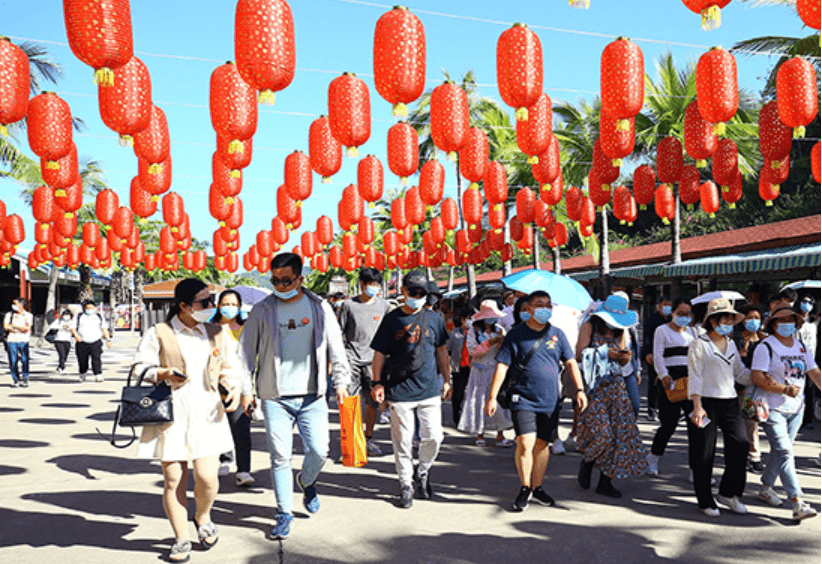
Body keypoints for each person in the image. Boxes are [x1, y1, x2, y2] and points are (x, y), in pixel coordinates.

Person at [131, 278, 245, 563]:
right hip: (171, 414)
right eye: (203, 303)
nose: (211, 307)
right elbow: (138, 368)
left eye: (211, 301)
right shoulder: (159, 332)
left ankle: (202, 516)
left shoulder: (217, 332)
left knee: (207, 478)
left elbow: (230, 369)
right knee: (173, 479)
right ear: (183, 306)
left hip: (208, 413)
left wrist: (232, 387)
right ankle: (181, 538)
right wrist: (163, 373)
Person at [239, 252, 351, 539]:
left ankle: (307, 481)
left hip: (313, 395)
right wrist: (246, 390)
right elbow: (245, 353)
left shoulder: (320, 308)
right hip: (274, 396)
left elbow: (336, 347)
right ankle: (283, 513)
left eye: (286, 280)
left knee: (319, 451)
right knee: (280, 457)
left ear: (300, 278)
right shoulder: (262, 310)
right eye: (275, 280)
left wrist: (341, 383)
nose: (280, 285)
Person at [486, 290, 587, 511]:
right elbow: (502, 365)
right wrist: (492, 396)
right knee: (525, 442)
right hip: (522, 397)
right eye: (540, 304)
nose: (545, 309)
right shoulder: (516, 334)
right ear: (529, 309)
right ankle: (524, 487)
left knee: (542, 445)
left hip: (550, 399)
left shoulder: (557, 334)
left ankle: (537, 486)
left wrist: (580, 389)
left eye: (548, 305)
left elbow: (570, 363)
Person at [370, 270, 452, 509]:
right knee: (403, 441)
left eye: (422, 293)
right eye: (413, 292)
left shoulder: (434, 318)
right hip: (399, 390)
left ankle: (423, 471)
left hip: (429, 390)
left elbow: (441, 351)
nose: (418, 297)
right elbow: (379, 354)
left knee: (435, 436)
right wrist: (377, 383)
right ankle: (406, 483)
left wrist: (447, 380)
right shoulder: (392, 320)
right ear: (403, 292)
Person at [751, 303, 821, 521]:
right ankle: (797, 501)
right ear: (772, 325)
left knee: (781, 451)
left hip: (796, 409)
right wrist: (782, 388)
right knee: (785, 452)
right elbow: (756, 376)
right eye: (781, 321)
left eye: (790, 321)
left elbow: (813, 371)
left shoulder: (801, 347)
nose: (786, 324)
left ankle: (765, 487)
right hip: (773, 408)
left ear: (797, 324)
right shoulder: (766, 346)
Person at [576, 294, 647, 499]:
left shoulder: (621, 330)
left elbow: (624, 361)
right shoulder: (589, 326)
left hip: (616, 385)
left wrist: (626, 358)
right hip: (594, 387)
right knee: (603, 433)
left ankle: (606, 481)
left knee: (619, 436)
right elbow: (580, 353)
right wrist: (605, 352)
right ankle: (588, 461)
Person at [687, 298, 751, 517]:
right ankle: (705, 500)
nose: (729, 322)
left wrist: (760, 377)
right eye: (725, 318)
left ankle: (729, 493)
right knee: (704, 453)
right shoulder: (699, 344)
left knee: (741, 443)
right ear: (713, 321)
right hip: (705, 401)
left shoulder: (732, 343)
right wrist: (697, 406)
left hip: (730, 400)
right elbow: (694, 376)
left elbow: (739, 372)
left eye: (731, 319)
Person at [337, 267, 391, 456]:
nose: (374, 288)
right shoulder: (348, 305)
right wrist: (334, 361)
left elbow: (388, 334)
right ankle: (352, 443)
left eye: (377, 285)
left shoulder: (384, 306)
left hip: (374, 361)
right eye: (371, 284)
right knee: (350, 401)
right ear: (362, 284)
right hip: (351, 358)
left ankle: (368, 438)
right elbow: (339, 333)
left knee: (372, 402)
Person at [647, 297, 698, 476]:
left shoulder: (694, 332)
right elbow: (658, 355)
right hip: (671, 380)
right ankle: (653, 456)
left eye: (687, 314)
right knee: (669, 424)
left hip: (691, 381)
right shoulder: (662, 331)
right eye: (680, 313)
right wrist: (663, 375)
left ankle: (696, 469)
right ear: (673, 313)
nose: (684, 317)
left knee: (696, 426)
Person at [211, 290, 255, 487]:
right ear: (218, 305)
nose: (229, 308)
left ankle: (244, 469)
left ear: (239, 307)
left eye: (233, 304)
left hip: (240, 382)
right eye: (225, 303)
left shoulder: (247, 328)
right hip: (213, 383)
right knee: (219, 424)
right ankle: (225, 458)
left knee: (241, 425)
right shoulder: (210, 328)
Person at [459, 300, 512, 447]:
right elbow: (472, 351)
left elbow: (507, 351)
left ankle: (500, 434)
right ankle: (480, 433)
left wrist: (501, 343)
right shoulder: (474, 331)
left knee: (498, 401)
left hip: (496, 369)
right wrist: (490, 342)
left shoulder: (500, 329)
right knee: (479, 400)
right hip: (480, 369)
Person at [733, 304, 767, 473]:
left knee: (752, 421)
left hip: (757, 387)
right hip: (739, 386)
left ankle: (752, 456)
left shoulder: (763, 340)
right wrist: (740, 355)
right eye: (750, 317)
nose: (754, 321)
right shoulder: (736, 339)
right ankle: (749, 455)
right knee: (745, 423)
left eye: (757, 317)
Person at [643, 295, 672, 422]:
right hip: (654, 355)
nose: (667, 308)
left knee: (669, 382)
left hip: (669, 355)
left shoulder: (673, 319)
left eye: (669, 305)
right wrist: (648, 352)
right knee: (654, 383)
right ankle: (652, 409)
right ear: (659, 306)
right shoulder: (652, 320)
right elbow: (647, 337)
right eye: (665, 305)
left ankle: (667, 408)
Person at [70, 299, 112, 382]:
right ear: (84, 308)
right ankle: (82, 374)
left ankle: (98, 375)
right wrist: (76, 336)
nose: (90, 309)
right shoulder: (79, 316)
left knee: (96, 359)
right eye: (88, 308)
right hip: (82, 341)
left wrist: (108, 339)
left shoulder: (99, 316)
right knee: (82, 360)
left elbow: (104, 328)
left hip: (96, 341)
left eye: (92, 308)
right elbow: (72, 328)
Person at [795, 295, 818, 429]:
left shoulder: (814, 322)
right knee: (798, 390)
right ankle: (797, 418)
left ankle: (807, 419)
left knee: (809, 391)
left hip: (811, 362)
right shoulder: (796, 321)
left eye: (809, 302)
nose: (806, 304)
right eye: (804, 302)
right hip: (797, 362)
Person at [446, 309, 471, 427]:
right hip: (459, 367)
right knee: (458, 394)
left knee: (472, 394)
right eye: (469, 318)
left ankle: (469, 418)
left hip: (473, 367)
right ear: (463, 319)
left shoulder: (476, 333)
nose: (470, 321)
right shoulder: (455, 333)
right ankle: (457, 416)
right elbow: (447, 350)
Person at [4, 297, 33, 387]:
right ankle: (15, 379)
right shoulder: (9, 315)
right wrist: (20, 328)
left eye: (15, 304)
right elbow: (6, 326)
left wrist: (14, 327)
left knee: (24, 360)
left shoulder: (28, 315)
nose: (14, 306)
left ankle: (25, 377)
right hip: (11, 340)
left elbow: (27, 329)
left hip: (24, 340)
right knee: (13, 361)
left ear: (21, 305)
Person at [49, 309, 75, 374]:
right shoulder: (58, 321)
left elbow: (73, 329)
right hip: (58, 340)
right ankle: (63, 368)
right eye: (65, 314)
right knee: (62, 355)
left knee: (65, 355)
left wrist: (68, 328)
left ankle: (59, 367)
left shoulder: (72, 322)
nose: (66, 316)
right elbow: (52, 327)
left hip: (67, 340)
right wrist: (60, 327)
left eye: (68, 315)